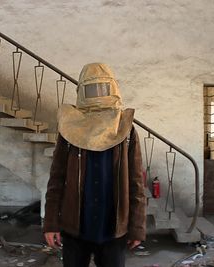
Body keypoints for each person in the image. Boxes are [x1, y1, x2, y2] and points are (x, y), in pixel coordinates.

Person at [43, 63, 146, 267]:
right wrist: (51, 223)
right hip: (75, 227)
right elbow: (57, 179)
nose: (97, 93)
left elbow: (136, 183)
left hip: (113, 228)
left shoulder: (126, 130)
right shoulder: (69, 129)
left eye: (102, 87)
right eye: (92, 88)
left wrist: (137, 227)